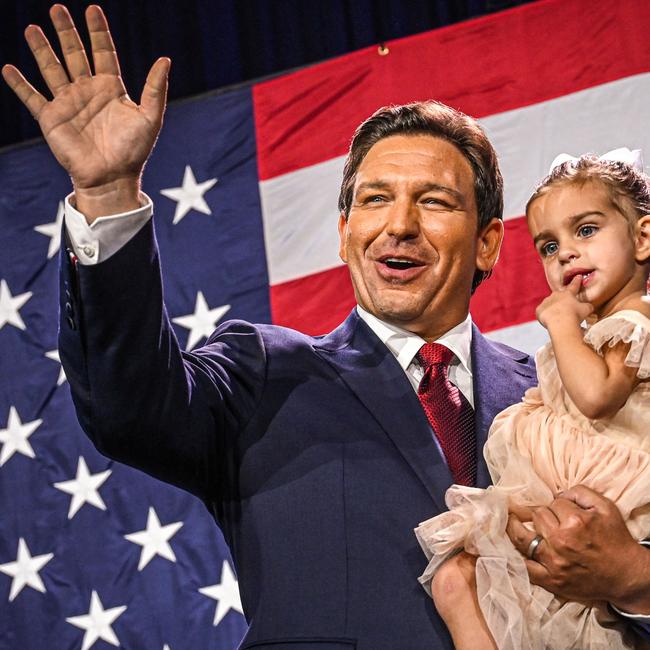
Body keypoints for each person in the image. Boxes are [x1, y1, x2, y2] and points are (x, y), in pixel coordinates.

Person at [3, 5, 649, 649]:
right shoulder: (261, 371)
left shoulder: (556, 389)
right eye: (373, 199)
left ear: (486, 245)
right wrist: (108, 196)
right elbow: (127, 405)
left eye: (433, 201)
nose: (398, 224)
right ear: (344, 235)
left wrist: (632, 578)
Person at [415, 150, 650, 649]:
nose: (565, 253)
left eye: (586, 230)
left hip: (611, 507)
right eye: (548, 245)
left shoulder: (636, 324)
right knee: (455, 579)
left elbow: (597, 398)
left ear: (643, 238)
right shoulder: (590, 341)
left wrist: (563, 323)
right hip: (559, 508)